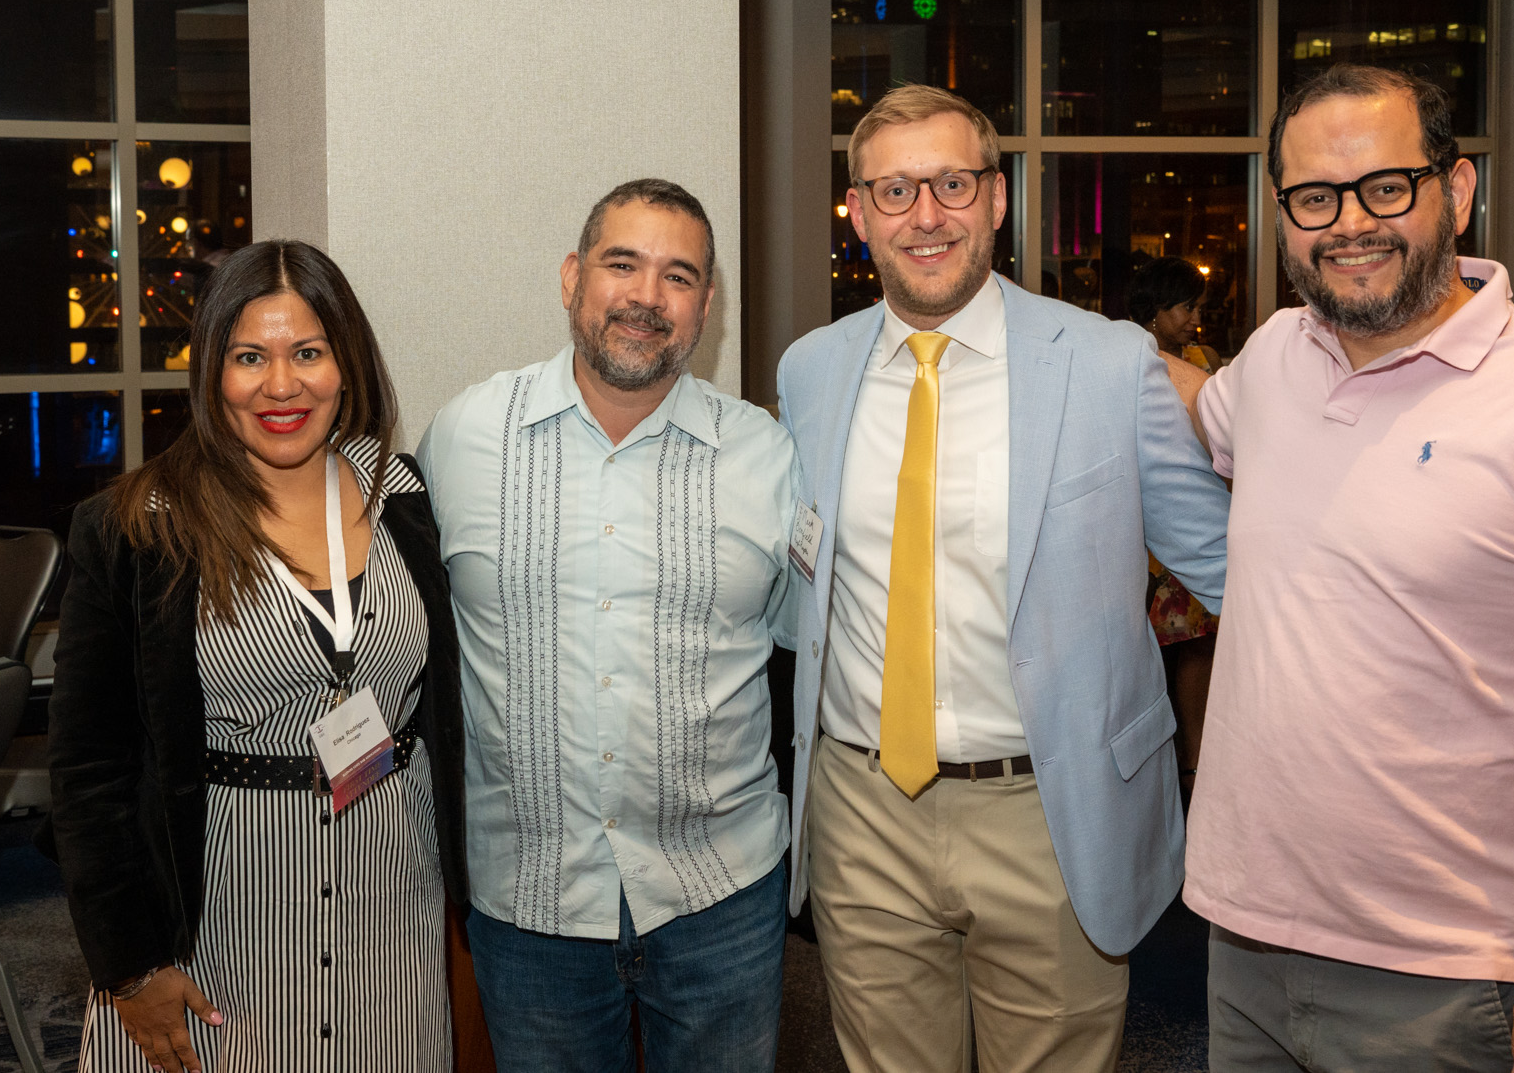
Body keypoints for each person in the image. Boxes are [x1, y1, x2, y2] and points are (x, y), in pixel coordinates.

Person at [1184, 63, 1514, 1072]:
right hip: (1245, 944)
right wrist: (1073, 346)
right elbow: (1190, 405)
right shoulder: (1275, 357)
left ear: (1455, 191)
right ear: (1280, 211)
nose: (1349, 224)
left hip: (1450, 977)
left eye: (1384, 187)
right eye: (1314, 198)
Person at [776, 83, 1232, 1073]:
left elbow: (1232, 570)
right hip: (862, 811)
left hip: (1050, 810)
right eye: (894, 190)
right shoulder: (810, 371)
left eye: (951, 183)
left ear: (995, 198)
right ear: (857, 213)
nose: (925, 215)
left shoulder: (1108, 365)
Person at [49, 239, 466, 1073]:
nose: (282, 384)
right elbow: (89, 770)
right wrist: (129, 965)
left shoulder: (405, 496)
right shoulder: (138, 527)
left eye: (307, 352)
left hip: (395, 900)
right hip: (218, 916)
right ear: (211, 370)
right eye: (250, 357)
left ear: (346, 363)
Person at [419, 179, 799, 1073]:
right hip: (530, 903)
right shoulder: (463, 437)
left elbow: (801, 645)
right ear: (571, 276)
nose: (646, 296)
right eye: (621, 263)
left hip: (723, 895)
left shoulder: (767, 455)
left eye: (678, 275)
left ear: (707, 303)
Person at [1126, 254, 1222, 802]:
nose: (1194, 319)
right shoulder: (1128, 361)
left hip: (1196, 525)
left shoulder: (1202, 361)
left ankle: (1194, 762)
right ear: (1156, 309)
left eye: (1198, 308)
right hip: (1149, 539)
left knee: (1198, 646)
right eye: (1186, 307)